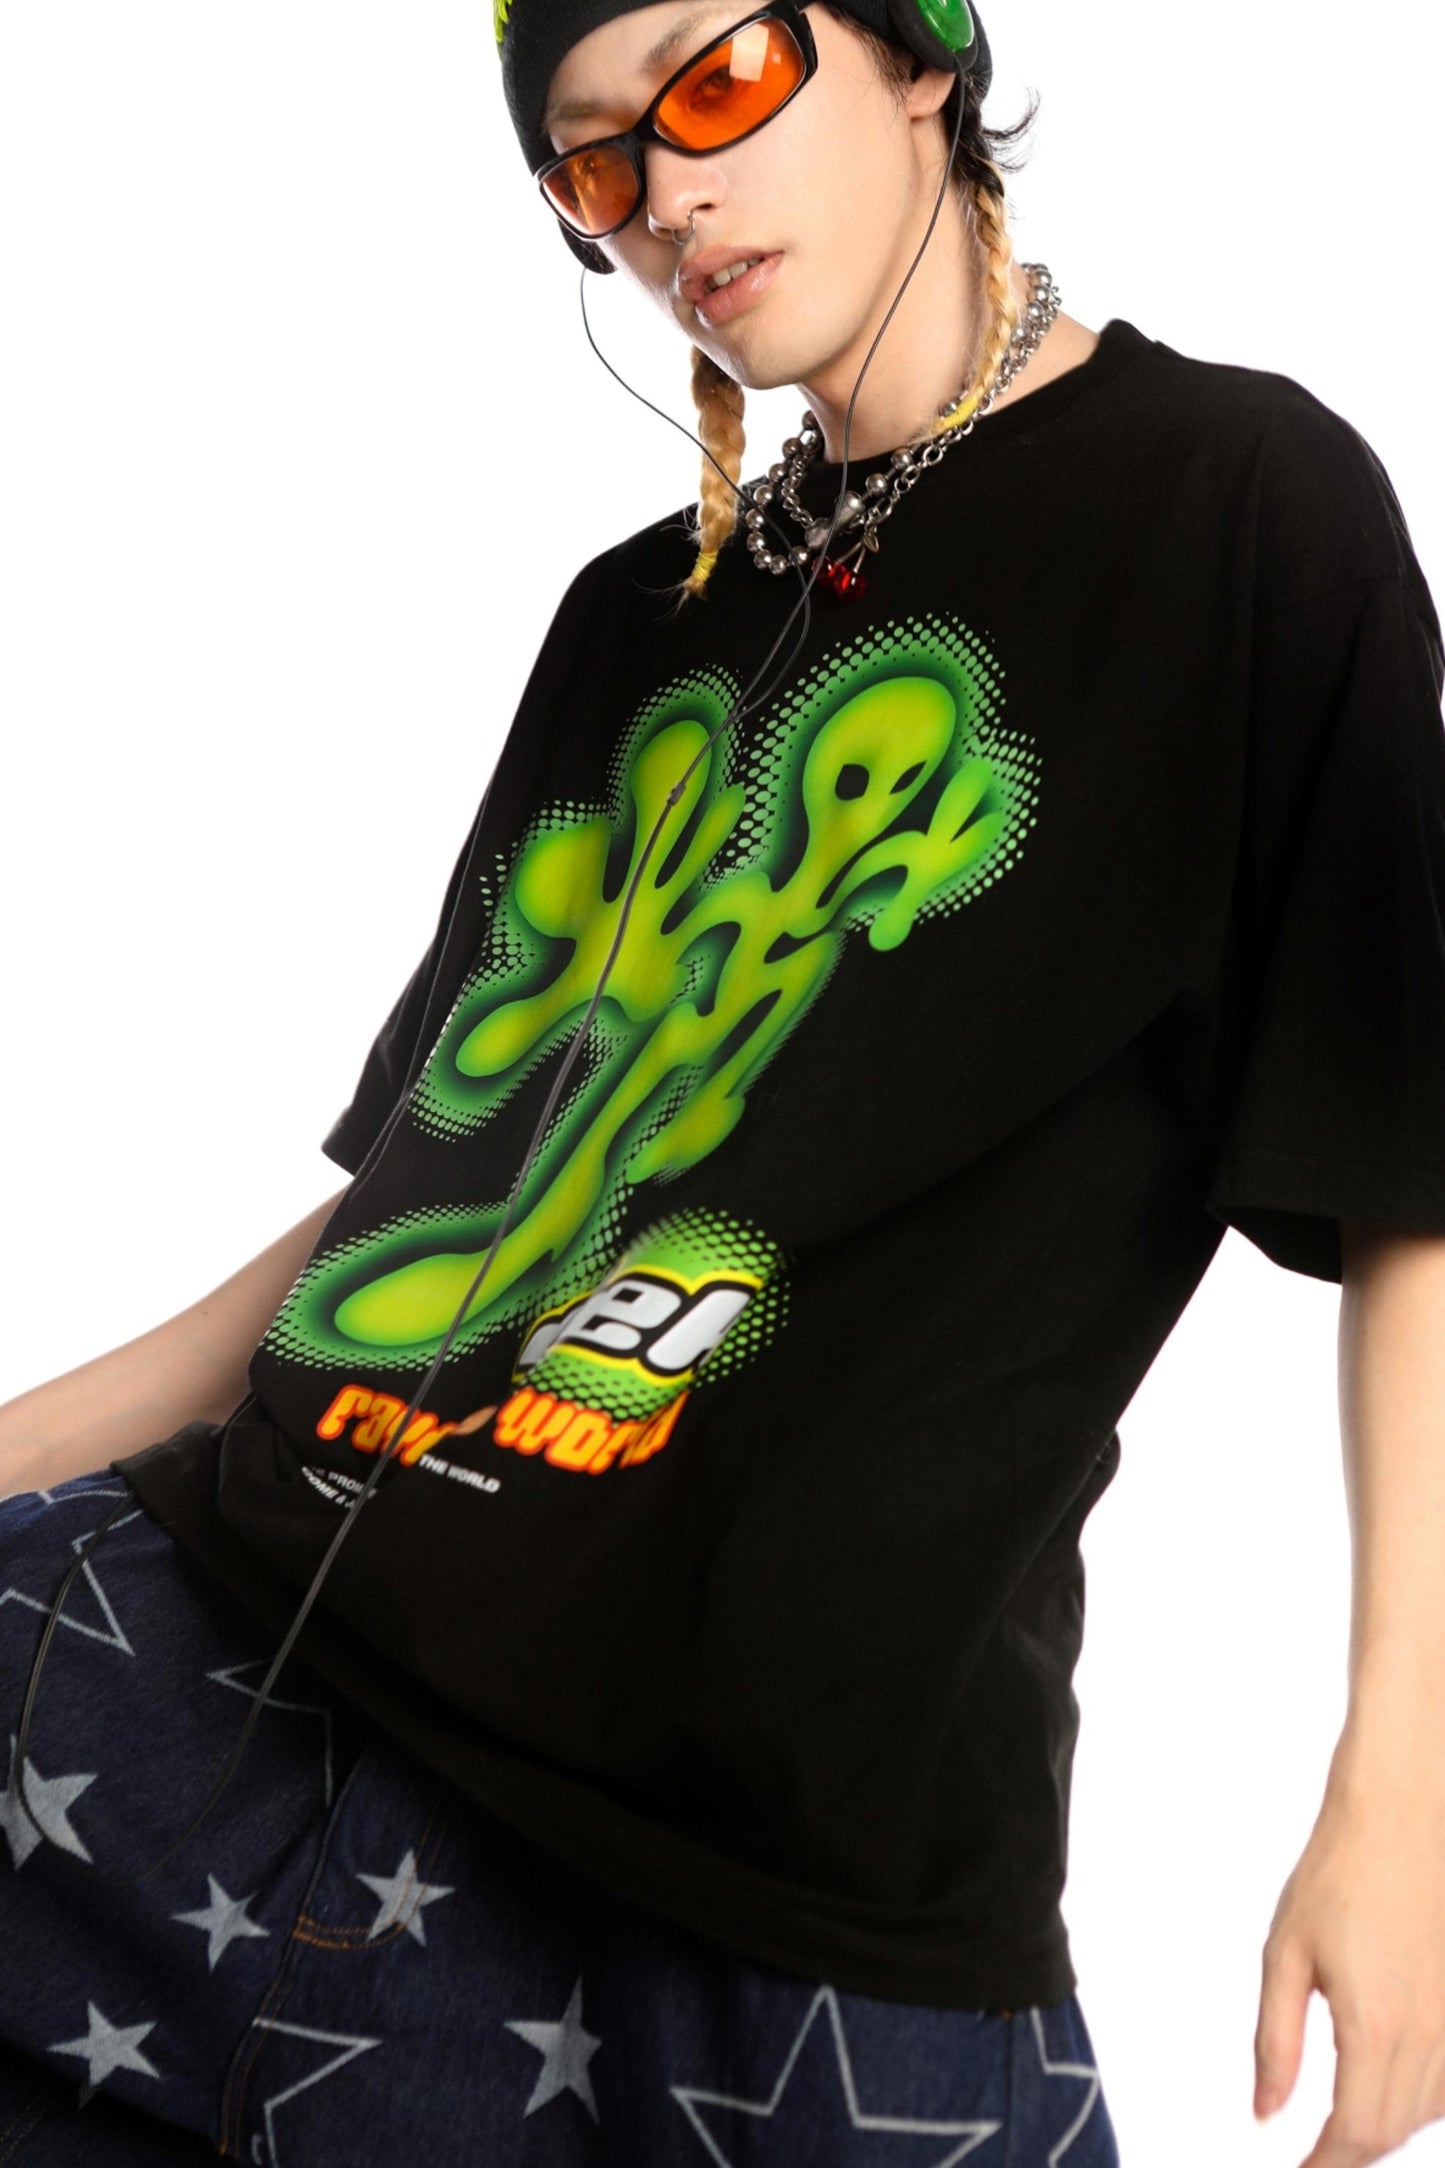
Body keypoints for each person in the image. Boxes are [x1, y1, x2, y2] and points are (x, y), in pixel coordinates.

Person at [3, 3, 1445, 2162]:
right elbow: (423, 1207)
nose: (664, 192)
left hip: (767, 1898)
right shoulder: (631, 618)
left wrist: (1401, 1791)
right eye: (591, 160)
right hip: (193, 1704)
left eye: (717, 81)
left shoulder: (1238, 507)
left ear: (921, 55)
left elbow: (1409, 1166)